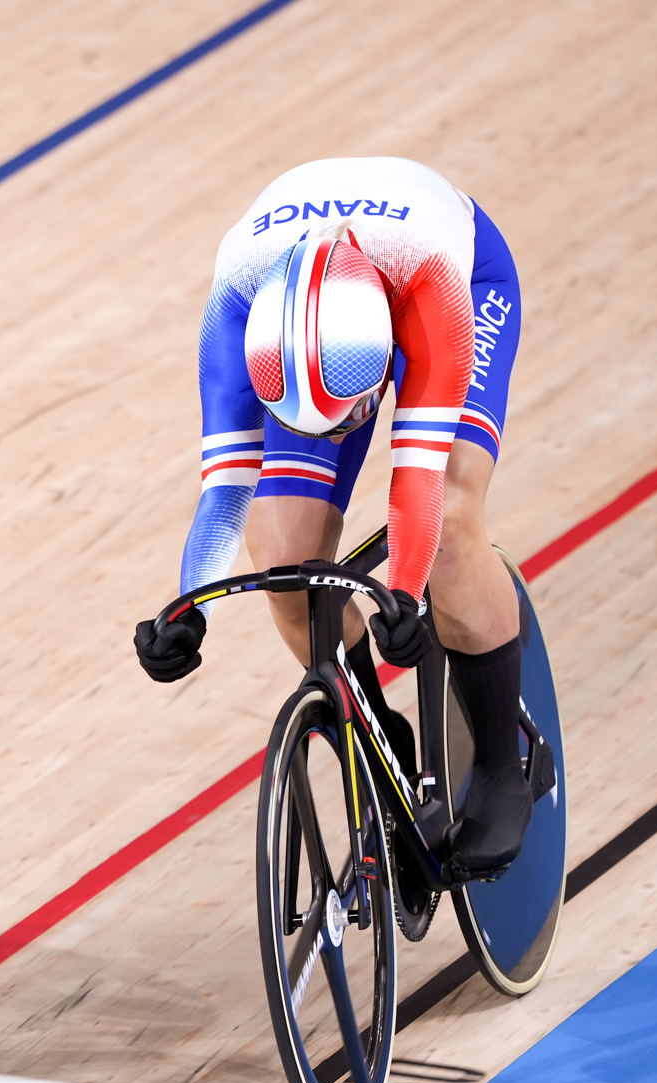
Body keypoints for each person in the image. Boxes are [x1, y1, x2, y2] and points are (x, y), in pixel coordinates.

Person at [135, 157, 530, 874]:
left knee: (452, 515)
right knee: (286, 562)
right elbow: (226, 491)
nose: (341, 430)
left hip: (458, 281)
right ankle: (381, 750)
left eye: (348, 415)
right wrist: (190, 609)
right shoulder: (236, 303)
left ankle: (506, 767)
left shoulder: (433, 287)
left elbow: (418, 485)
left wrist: (404, 593)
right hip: (312, 319)